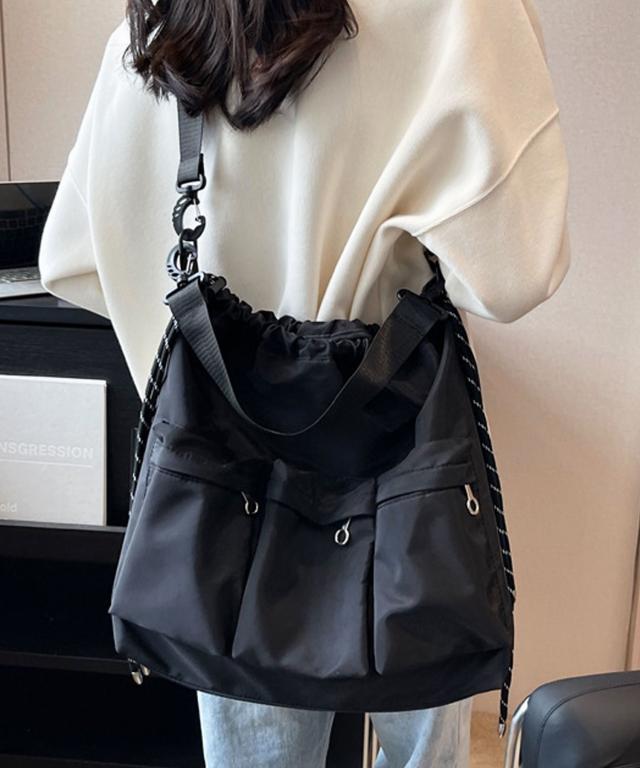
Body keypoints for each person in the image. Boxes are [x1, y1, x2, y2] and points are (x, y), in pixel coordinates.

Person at [38, 0, 571, 765]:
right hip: (402, 474)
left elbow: (70, 260)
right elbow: (517, 272)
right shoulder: (459, 14)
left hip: (227, 491)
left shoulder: (155, 34)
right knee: (425, 743)